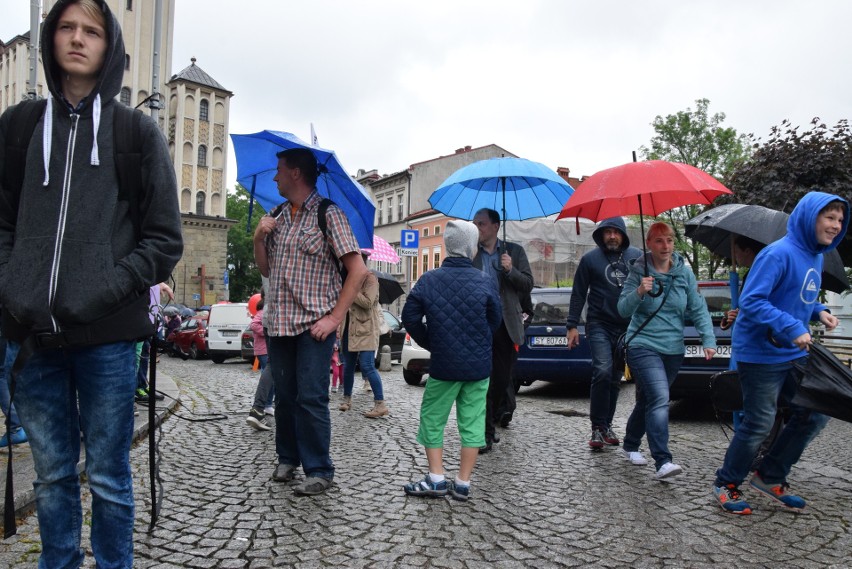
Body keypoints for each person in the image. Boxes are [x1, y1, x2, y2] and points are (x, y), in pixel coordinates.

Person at [0, 0, 183, 565]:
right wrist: (13, 287)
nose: (78, 39)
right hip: (33, 340)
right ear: (52, 39)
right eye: (67, 28)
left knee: (107, 477)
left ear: (109, 47)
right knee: (53, 479)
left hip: (106, 341)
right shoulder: (19, 127)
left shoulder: (136, 133)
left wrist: (106, 288)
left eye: (92, 31)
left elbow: (163, 238)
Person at [712, 192, 848, 515]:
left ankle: (770, 475)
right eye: (829, 217)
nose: (836, 225)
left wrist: (819, 312)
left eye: (840, 220)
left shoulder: (814, 257)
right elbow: (753, 302)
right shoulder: (777, 254)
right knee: (760, 422)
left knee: (816, 412)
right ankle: (725, 483)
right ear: (809, 217)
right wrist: (791, 327)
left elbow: (796, 296)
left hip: (791, 351)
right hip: (759, 353)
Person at [253, 147, 367, 496]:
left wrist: (335, 318)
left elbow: (358, 270)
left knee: (312, 398)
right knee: (285, 397)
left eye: (279, 170)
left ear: (296, 173)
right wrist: (259, 237)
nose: (274, 176)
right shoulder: (277, 216)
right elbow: (265, 270)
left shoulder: (328, 215)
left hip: (313, 327)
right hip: (279, 324)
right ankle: (287, 458)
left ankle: (319, 469)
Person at [401, 220, 502, 501]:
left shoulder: (429, 279)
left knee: (433, 419)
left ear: (447, 246)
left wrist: (431, 341)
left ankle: (435, 478)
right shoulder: (485, 280)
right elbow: (495, 319)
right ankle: (463, 483)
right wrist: (479, 340)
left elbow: (409, 317)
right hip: (478, 367)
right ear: (472, 248)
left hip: (444, 366)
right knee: (472, 423)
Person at [617, 222, 716, 479]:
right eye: (659, 241)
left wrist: (708, 339)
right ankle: (663, 460)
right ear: (649, 244)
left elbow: (697, 307)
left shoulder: (684, 273)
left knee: (650, 399)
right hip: (642, 345)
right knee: (661, 398)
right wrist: (640, 291)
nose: (666, 246)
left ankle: (630, 443)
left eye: (670, 240)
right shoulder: (638, 271)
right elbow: (622, 310)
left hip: (673, 348)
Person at [565, 217, 642, 449]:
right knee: (602, 370)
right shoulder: (590, 259)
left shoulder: (637, 257)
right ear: (601, 235)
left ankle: (606, 425)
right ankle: (597, 427)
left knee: (614, 377)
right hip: (598, 323)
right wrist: (571, 325)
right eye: (607, 232)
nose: (611, 236)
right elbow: (578, 293)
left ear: (623, 234)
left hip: (626, 327)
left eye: (616, 232)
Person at [472, 208, 533, 453]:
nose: (478, 228)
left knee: (500, 380)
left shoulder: (514, 252)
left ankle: (492, 422)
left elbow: (528, 284)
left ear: (496, 226)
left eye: (482, 224)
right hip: (479, 324)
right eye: (475, 224)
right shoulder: (471, 252)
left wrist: (510, 270)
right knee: (481, 381)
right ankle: (484, 432)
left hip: (506, 325)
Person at [338, 258, 388, 418]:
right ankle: (347, 399)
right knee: (348, 366)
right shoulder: (345, 279)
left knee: (367, 366)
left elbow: (368, 302)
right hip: (349, 328)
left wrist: (351, 290)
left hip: (366, 329)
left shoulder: (370, 278)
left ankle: (380, 403)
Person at [251, 299, 268, 371]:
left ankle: (264, 382)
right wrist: (266, 332)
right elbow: (254, 324)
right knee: (267, 370)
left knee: (264, 369)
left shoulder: (260, 313)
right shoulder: (263, 313)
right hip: (264, 349)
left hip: (261, 349)